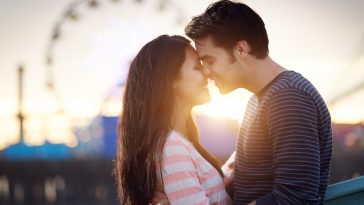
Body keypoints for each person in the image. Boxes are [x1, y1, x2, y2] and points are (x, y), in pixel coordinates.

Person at [185, 1, 332, 204]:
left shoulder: (288, 98)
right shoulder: (263, 98)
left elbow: (296, 199)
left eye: (209, 61)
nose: (207, 73)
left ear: (241, 49)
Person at [115, 35, 231, 205]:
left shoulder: (178, 142)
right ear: (171, 80)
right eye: (197, 67)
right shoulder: (172, 148)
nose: (207, 73)